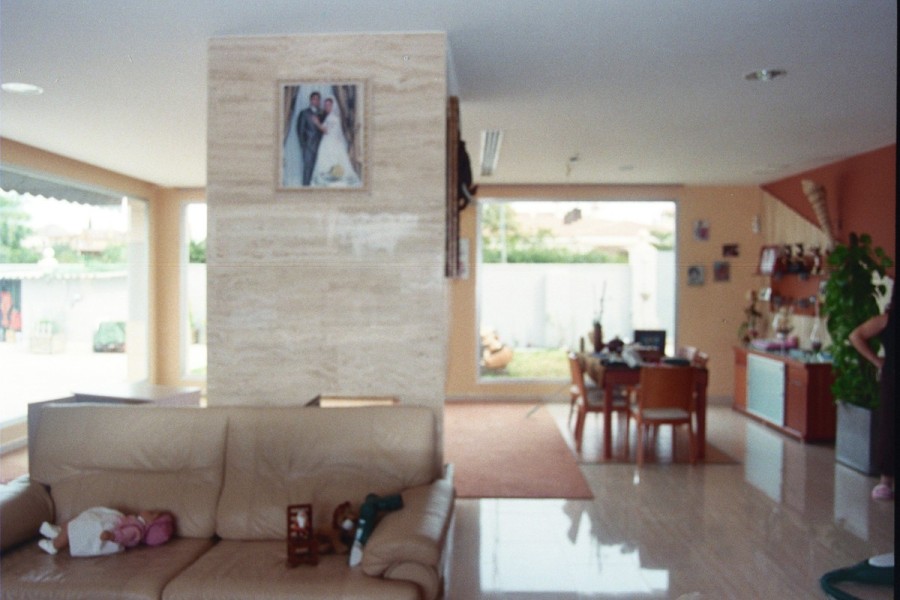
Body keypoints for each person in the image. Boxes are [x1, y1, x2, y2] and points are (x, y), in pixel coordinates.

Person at [848, 285, 895, 501]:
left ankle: (886, 481)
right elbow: (856, 336)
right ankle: (886, 480)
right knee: (890, 426)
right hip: (893, 378)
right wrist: (877, 361)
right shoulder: (886, 320)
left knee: (890, 426)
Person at [38, 507, 175, 556]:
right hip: (109, 525)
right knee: (81, 520)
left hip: (106, 534)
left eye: (152, 513)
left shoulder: (136, 530)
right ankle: (58, 531)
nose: (150, 510)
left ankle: (54, 545)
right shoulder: (136, 522)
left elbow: (123, 536)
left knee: (79, 528)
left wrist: (111, 535)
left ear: (150, 523)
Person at [311, 97, 360, 187]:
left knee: (331, 160)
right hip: (328, 142)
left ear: (333, 106)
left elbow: (325, 130)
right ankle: (329, 179)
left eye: (329, 105)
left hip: (330, 143)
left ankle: (331, 180)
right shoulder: (330, 117)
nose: (326, 107)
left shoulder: (333, 118)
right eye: (325, 105)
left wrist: (316, 122)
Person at [296, 91, 326, 186]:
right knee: (308, 168)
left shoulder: (323, 113)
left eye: (318, 99)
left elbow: (324, 128)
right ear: (310, 100)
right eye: (314, 99)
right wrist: (303, 145)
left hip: (321, 146)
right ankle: (305, 188)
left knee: (319, 170)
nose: (316, 101)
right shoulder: (304, 113)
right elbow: (300, 130)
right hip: (308, 146)